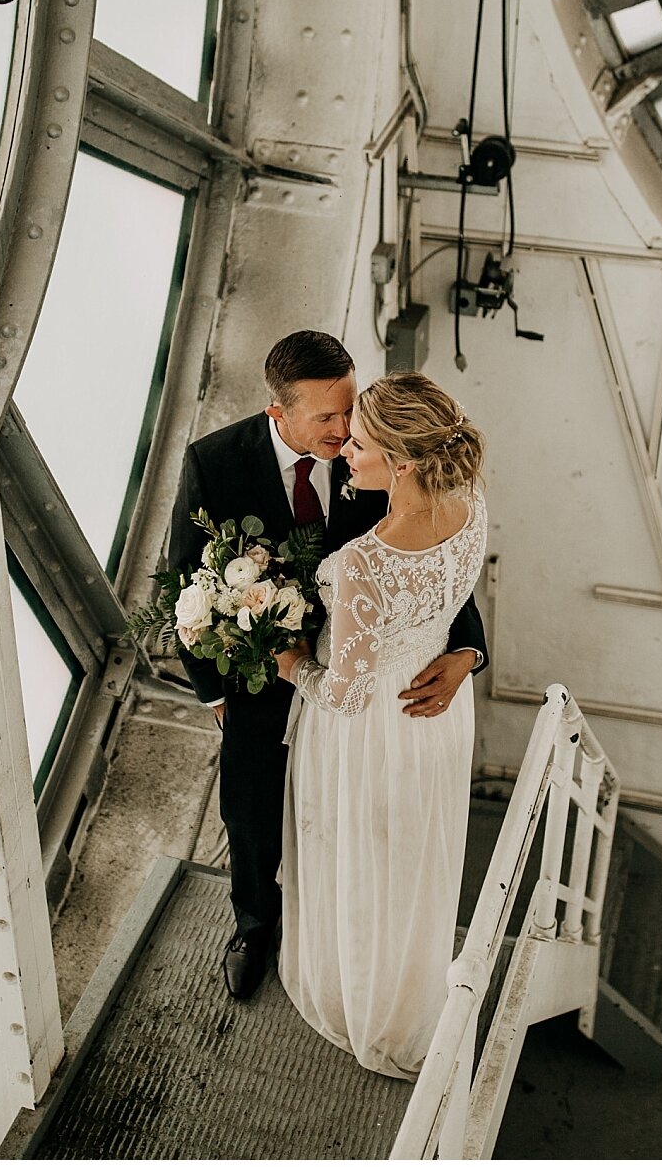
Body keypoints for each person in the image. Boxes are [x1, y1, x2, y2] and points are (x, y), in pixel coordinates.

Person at [169, 334, 489, 1001]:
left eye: (349, 413)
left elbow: (431, 554)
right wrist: (213, 695)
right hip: (260, 676)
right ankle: (255, 927)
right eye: (327, 418)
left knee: (355, 822)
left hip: (365, 686)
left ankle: (354, 942)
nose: (344, 434)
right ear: (277, 412)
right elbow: (183, 585)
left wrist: (466, 651)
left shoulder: (380, 453)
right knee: (250, 810)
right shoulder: (215, 463)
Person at [273, 372, 488, 1080]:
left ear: (402, 462)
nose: (346, 453)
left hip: (373, 729)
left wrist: (293, 666)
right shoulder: (470, 504)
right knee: (413, 861)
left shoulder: (365, 563)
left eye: (360, 444)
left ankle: (364, 999)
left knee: (362, 860)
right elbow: (447, 592)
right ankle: (405, 991)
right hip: (436, 722)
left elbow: (343, 693)